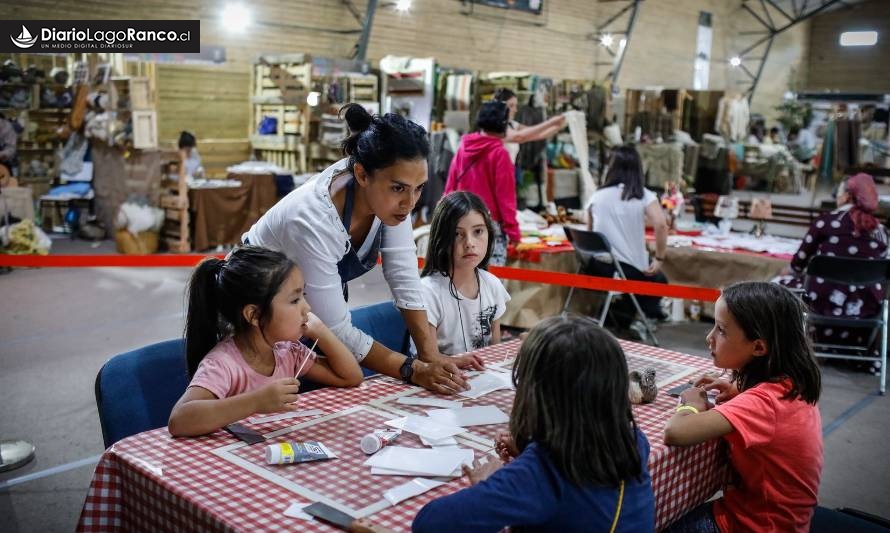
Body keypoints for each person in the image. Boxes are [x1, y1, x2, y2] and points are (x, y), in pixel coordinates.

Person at [245, 104, 470, 395]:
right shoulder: (313, 219)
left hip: (300, 316)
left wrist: (431, 355)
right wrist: (413, 370)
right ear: (362, 175)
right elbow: (336, 327)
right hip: (254, 318)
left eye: (419, 188)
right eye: (400, 188)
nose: (410, 203)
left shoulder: (390, 199)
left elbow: (403, 275)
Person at [413, 314, 655, 532]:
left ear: (535, 394)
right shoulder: (634, 439)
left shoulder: (542, 473)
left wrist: (489, 485)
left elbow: (430, 523)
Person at [664, 282, 823, 533]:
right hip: (787, 520)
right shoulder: (791, 385)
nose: (709, 337)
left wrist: (691, 405)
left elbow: (676, 432)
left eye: (722, 331)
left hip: (754, 525)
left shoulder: (763, 404)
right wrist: (740, 390)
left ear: (759, 347)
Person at [168, 247, 363, 437]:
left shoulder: (287, 351)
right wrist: (256, 401)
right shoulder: (223, 363)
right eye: (295, 300)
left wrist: (322, 332)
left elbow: (351, 377)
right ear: (254, 315)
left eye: (303, 295)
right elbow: (179, 420)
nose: (307, 307)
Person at [776, 173, 889, 350]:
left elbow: (797, 266)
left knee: (775, 286)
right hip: (865, 309)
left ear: (846, 196)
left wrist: (788, 271)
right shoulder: (882, 232)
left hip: (821, 303)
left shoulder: (825, 223)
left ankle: (787, 349)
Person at [420, 191, 510, 356]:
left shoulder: (492, 284)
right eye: (457, 234)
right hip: (444, 377)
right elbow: (428, 360)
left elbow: (495, 352)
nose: (469, 243)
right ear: (441, 238)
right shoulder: (428, 291)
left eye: (478, 232)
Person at [586, 144, 669, 322]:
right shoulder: (642, 195)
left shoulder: (597, 195)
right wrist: (659, 258)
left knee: (645, 277)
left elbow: (590, 233)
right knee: (658, 279)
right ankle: (641, 319)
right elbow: (661, 224)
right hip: (624, 270)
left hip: (595, 267)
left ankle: (624, 315)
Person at [444, 101, 519, 266]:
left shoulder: (463, 148)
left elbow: (450, 188)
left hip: (460, 223)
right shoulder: (500, 154)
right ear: (504, 124)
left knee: (463, 276)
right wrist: (513, 232)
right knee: (490, 283)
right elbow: (506, 199)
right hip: (487, 227)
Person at [493, 88, 566, 164]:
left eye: (515, 106)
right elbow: (519, 137)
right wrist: (550, 123)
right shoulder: (493, 125)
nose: (515, 110)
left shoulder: (512, 124)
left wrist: (558, 126)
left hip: (507, 172)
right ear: (500, 106)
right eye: (511, 106)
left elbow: (536, 134)